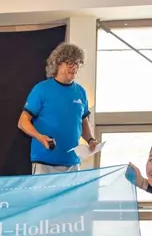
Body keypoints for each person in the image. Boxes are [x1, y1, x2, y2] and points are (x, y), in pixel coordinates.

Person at [18, 42, 99, 175]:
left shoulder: (81, 92)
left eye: (78, 63)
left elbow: (83, 121)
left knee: (73, 197)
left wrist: (91, 140)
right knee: (44, 197)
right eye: (70, 63)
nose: (75, 67)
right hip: (44, 162)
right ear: (58, 63)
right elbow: (22, 122)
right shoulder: (41, 89)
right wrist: (40, 137)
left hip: (72, 162)